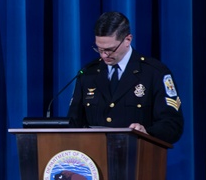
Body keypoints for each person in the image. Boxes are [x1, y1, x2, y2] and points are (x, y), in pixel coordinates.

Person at [68, 11, 183, 143]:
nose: (104, 55)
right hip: (94, 152)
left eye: (110, 49)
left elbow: (172, 124)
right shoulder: (88, 73)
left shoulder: (154, 72)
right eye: (99, 49)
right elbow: (74, 123)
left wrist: (147, 132)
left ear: (128, 40)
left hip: (138, 152)